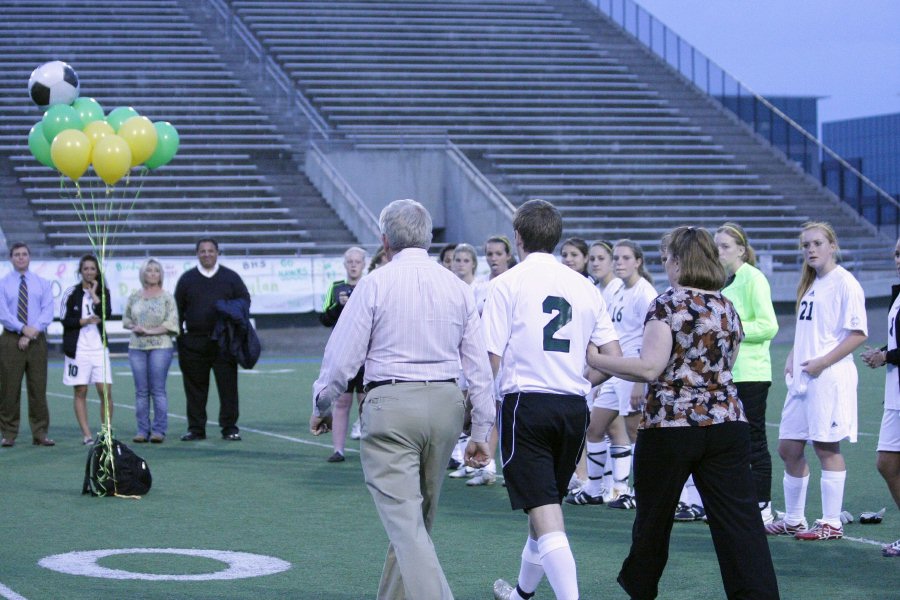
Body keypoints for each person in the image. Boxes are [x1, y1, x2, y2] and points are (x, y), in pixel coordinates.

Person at [311, 199, 494, 600]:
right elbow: (479, 367)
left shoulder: (375, 282)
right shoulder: (458, 287)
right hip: (446, 404)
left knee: (407, 526)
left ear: (384, 240)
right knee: (415, 525)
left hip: (391, 405)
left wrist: (322, 404)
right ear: (428, 238)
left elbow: (342, 357)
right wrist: (481, 428)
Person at [587, 226, 780, 600]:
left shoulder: (667, 304)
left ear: (678, 262)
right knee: (741, 527)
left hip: (672, 426)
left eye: (666, 259)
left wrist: (597, 359)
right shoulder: (727, 306)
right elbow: (728, 365)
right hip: (726, 423)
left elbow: (648, 368)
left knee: (653, 523)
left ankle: (640, 590)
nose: (665, 266)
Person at [485, 200, 621, 600]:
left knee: (546, 512)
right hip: (573, 407)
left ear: (518, 239)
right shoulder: (585, 286)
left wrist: (477, 420)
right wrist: (582, 378)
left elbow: (488, 358)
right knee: (545, 508)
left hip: (526, 404)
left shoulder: (506, 283)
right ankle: (522, 595)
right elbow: (613, 358)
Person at [766, 222, 868, 541]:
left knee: (826, 447)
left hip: (829, 377)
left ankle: (831, 523)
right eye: (806, 245)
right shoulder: (811, 284)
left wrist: (823, 361)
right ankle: (795, 519)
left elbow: (857, 334)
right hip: (804, 379)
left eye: (817, 243)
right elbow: (810, 329)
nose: (811, 249)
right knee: (788, 447)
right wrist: (794, 353)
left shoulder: (844, 283)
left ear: (832, 245)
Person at [566, 240, 656, 509]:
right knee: (595, 427)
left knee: (633, 431)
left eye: (625, 258)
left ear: (638, 261)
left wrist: (640, 381)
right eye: (616, 258)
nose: (619, 262)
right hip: (615, 371)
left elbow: (648, 336)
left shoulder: (645, 292)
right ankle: (598, 488)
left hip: (632, 371)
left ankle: (635, 490)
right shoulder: (618, 290)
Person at [715, 222, 779, 524]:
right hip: (728, 374)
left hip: (751, 372)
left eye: (726, 246)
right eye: (716, 246)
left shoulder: (753, 278)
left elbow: (769, 325)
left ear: (742, 249)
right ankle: (740, 503)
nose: (719, 251)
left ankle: (763, 505)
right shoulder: (724, 281)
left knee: (754, 440)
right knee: (730, 442)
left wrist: (732, 330)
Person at [175, 238, 251, 441]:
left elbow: (245, 301)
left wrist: (228, 309)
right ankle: (196, 429)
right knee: (195, 389)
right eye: (202, 251)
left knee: (228, 387)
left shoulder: (231, 278)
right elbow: (178, 310)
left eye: (211, 251)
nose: (207, 254)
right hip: (194, 342)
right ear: (197, 254)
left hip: (224, 342)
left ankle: (229, 428)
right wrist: (182, 339)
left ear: (218, 253)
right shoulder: (187, 279)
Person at [861, 237, 900, 557]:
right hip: (895, 394)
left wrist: (887, 357)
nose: (896, 257)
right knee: (886, 464)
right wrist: (883, 353)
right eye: (896, 252)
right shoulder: (898, 293)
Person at [0, 242, 55, 447]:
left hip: (37, 339)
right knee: (9, 389)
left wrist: (32, 332)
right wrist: (23, 329)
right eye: (17, 255)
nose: (21, 257)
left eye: (24, 254)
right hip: (10, 339)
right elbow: (3, 313)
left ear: (29, 257)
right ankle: (8, 433)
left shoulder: (42, 283)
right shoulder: (3, 284)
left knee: (38, 389)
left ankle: (40, 433)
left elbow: (47, 311)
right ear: (11, 258)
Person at [316, 246, 367, 462]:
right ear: (345, 264)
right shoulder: (336, 288)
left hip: (365, 354)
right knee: (342, 402)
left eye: (357, 261)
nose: (354, 265)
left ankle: (370, 451)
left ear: (364, 264)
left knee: (366, 404)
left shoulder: (370, 285)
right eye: (350, 261)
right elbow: (325, 318)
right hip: (344, 354)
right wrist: (339, 305)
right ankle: (338, 449)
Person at [122, 258, 179, 444]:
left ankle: (159, 431)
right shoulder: (134, 296)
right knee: (141, 391)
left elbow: (171, 323)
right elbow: (126, 319)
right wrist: (134, 326)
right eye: (149, 270)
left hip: (160, 346)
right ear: (143, 274)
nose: (153, 273)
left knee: (158, 390)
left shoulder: (167, 297)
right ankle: (142, 430)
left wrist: (149, 331)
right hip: (137, 347)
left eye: (156, 270)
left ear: (161, 275)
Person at [61, 254, 114, 445]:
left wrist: (94, 296)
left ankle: (106, 433)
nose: (89, 272)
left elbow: (106, 314)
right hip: (78, 351)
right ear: (80, 271)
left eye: (93, 269)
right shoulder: (71, 293)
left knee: (105, 392)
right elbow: (65, 320)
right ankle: (87, 435)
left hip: (99, 349)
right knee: (81, 391)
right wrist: (83, 321)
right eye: (86, 269)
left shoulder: (104, 292)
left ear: (97, 272)